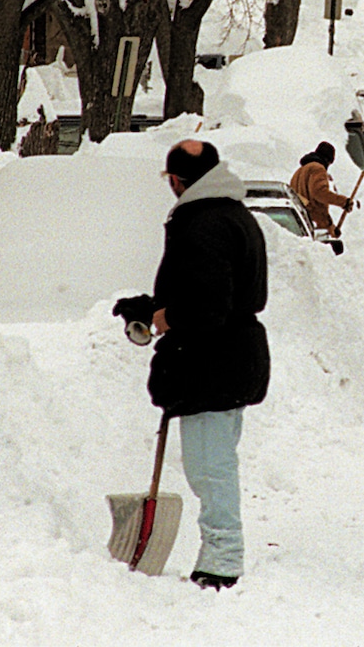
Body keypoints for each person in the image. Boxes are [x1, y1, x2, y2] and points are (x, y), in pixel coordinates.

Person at [115, 140, 271, 591]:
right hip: (231, 357)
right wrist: (151, 305)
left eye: (172, 181)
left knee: (209, 466)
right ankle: (221, 553)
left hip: (213, 362)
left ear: (181, 181)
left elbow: (208, 307)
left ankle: (223, 560)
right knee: (214, 461)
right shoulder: (230, 215)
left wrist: (164, 317)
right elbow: (217, 292)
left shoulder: (202, 224)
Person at [289, 142, 353, 235]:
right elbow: (319, 193)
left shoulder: (298, 172)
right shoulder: (318, 169)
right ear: (328, 159)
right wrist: (343, 201)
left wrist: (331, 228)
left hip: (302, 223)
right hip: (314, 225)